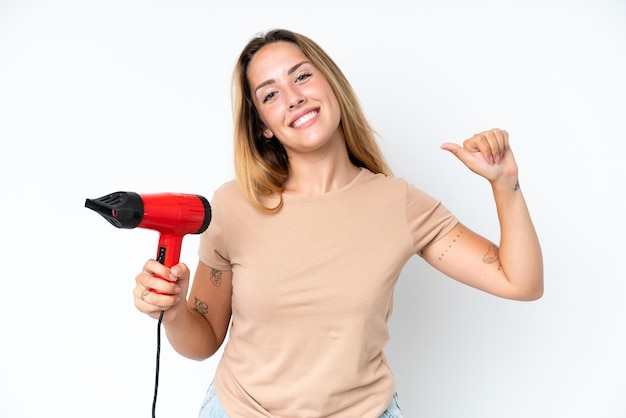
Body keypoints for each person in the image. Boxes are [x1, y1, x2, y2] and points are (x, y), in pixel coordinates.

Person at [133, 29, 543, 418]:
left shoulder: (399, 204)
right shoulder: (233, 206)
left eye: (303, 77)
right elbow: (203, 339)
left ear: (330, 84)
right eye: (271, 93)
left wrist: (506, 184)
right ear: (262, 126)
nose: (293, 98)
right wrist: (173, 312)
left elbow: (520, 282)